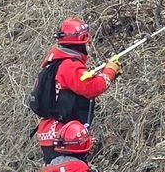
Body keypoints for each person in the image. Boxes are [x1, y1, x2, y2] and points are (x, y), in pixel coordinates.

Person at [33, 17, 121, 162]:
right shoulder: (69, 66)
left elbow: (81, 84)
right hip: (63, 137)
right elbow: (92, 87)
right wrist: (110, 71)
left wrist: (107, 74)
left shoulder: (56, 63)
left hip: (50, 134)